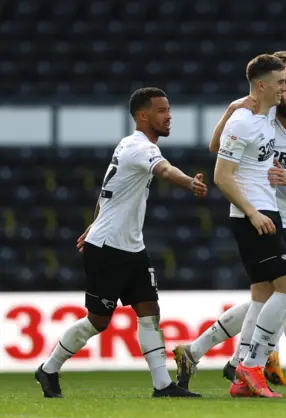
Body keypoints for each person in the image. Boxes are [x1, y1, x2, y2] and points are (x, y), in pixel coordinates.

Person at [35, 87, 207, 399]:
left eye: (169, 110)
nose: (169, 116)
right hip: (109, 249)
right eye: (161, 111)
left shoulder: (128, 145)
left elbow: (106, 192)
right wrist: (190, 182)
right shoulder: (141, 148)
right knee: (98, 322)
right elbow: (165, 170)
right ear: (143, 115)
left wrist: (94, 222)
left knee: (149, 311)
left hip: (132, 247)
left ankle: (162, 385)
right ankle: (48, 368)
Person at [212, 54, 286, 399]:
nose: (285, 89)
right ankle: (251, 364)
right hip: (254, 218)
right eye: (280, 83)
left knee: (266, 295)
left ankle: (242, 380)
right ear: (262, 85)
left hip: (268, 212)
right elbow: (222, 175)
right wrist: (251, 212)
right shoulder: (243, 121)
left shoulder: (263, 118)